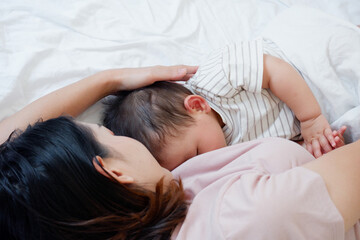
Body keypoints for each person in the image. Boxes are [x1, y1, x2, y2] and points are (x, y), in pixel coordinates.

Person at [1, 66, 360, 239]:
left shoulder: (151, 205)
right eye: (107, 133)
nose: (131, 141)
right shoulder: (245, 220)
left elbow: (7, 147)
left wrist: (109, 81)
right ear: (113, 172)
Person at [102, 41, 346, 170]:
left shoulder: (218, 78)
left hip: (298, 62)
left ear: (197, 106)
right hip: (304, 116)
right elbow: (278, 145)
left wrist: (311, 119)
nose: (204, 163)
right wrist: (316, 145)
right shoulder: (224, 151)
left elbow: (274, 69)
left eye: (196, 154)